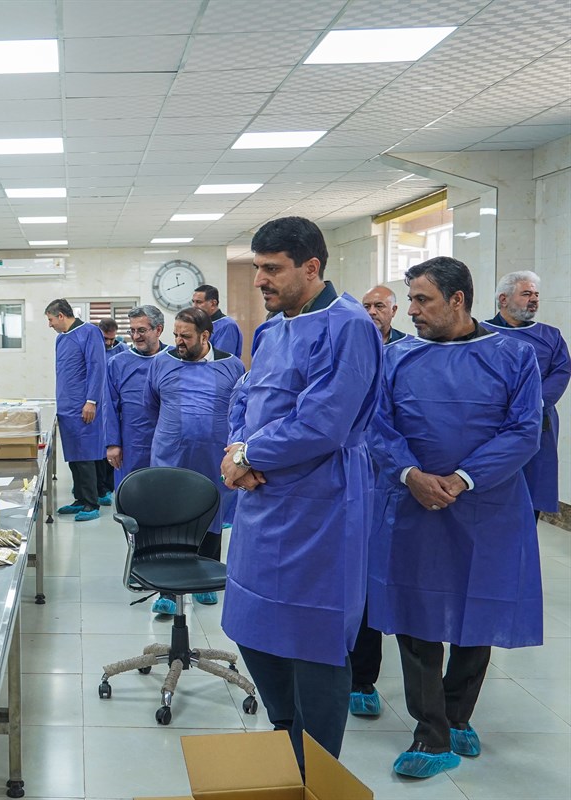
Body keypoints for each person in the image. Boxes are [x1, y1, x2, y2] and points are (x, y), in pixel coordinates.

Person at [368, 257, 543, 779]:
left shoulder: (513, 355)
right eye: (411, 299)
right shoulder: (395, 357)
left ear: (457, 300)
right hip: (412, 503)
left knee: (479, 606)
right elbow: (376, 425)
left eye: (422, 299)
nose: (411, 310)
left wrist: (464, 478)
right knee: (414, 612)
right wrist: (410, 475)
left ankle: (457, 712)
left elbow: (523, 430)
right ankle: (431, 730)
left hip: (487, 505)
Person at [220, 216, 382, 766]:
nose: (259, 280)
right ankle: (284, 730)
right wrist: (236, 449)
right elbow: (245, 397)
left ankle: (316, 765)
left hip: (320, 504)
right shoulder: (273, 328)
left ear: (311, 267)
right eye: (258, 267)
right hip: (261, 502)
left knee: (313, 637)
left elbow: (322, 424)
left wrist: (249, 456)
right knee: (250, 624)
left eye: (272, 269)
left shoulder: (348, 326)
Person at [147, 306, 244, 614]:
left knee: (210, 513)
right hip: (171, 452)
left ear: (205, 336)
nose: (178, 341)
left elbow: (240, 410)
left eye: (186, 336)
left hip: (213, 454)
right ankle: (166, 590)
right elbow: (152, 404)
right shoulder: (161, 363)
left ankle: (205, 580)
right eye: (176, 334)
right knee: (167, 518)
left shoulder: (232, 366)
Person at [348, 284, 415, 718]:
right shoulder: (351, 347)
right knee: (363, 577)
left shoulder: (411, 352)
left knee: (408, 580)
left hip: (406, 478)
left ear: (394, 311)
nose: (372, 311)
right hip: (360, 476)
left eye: (380, 306)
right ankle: (361, 678)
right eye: (367, 306)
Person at [483, 271, 569, 522]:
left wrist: (534, 402)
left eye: (536, 295)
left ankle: (527, 539)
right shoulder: (481, 333)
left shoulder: (550, 336)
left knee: (533, 488)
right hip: (491, 422)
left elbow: (561, 371)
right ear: (503, 299)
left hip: (537, 421)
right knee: (491, 484)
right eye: (526, 294)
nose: (534, 299)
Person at [46, 298, 108, 522]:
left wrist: (91, 400)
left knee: (85, 455)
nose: (50, 324)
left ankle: (92, 502)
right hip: (67, 405)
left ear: (61, 316)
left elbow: (97, 367)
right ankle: (80, 499)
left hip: (83, 405)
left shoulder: (89, 332)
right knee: (73, 456)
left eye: (51, 320)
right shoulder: (61, 339)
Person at [101, 306, 167, 510]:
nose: (136, 336)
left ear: (158, 329)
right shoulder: (118, 363)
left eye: (142, 330)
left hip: (170, 442)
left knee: (168, 497)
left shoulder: (175, 359)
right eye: (132, 331)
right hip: (133, 442)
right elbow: (109, 405)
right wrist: (112, 443)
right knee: (133, 500)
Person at [95, 317, 125, 504]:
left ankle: (108, 486)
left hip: (114, 405)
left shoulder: (121, 350)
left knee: (113, 446)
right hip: (97, 404)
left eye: (112, 339)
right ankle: (99, 487)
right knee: (98, 449)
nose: (109, 343)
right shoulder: (93, 349)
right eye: (105, 339)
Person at [192, 284, 243, 358]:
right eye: (193, 302)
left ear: (213, 304)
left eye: (199, 302)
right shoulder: (200, 324)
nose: (194, 306)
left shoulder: (227, 326)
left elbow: (221, 359)